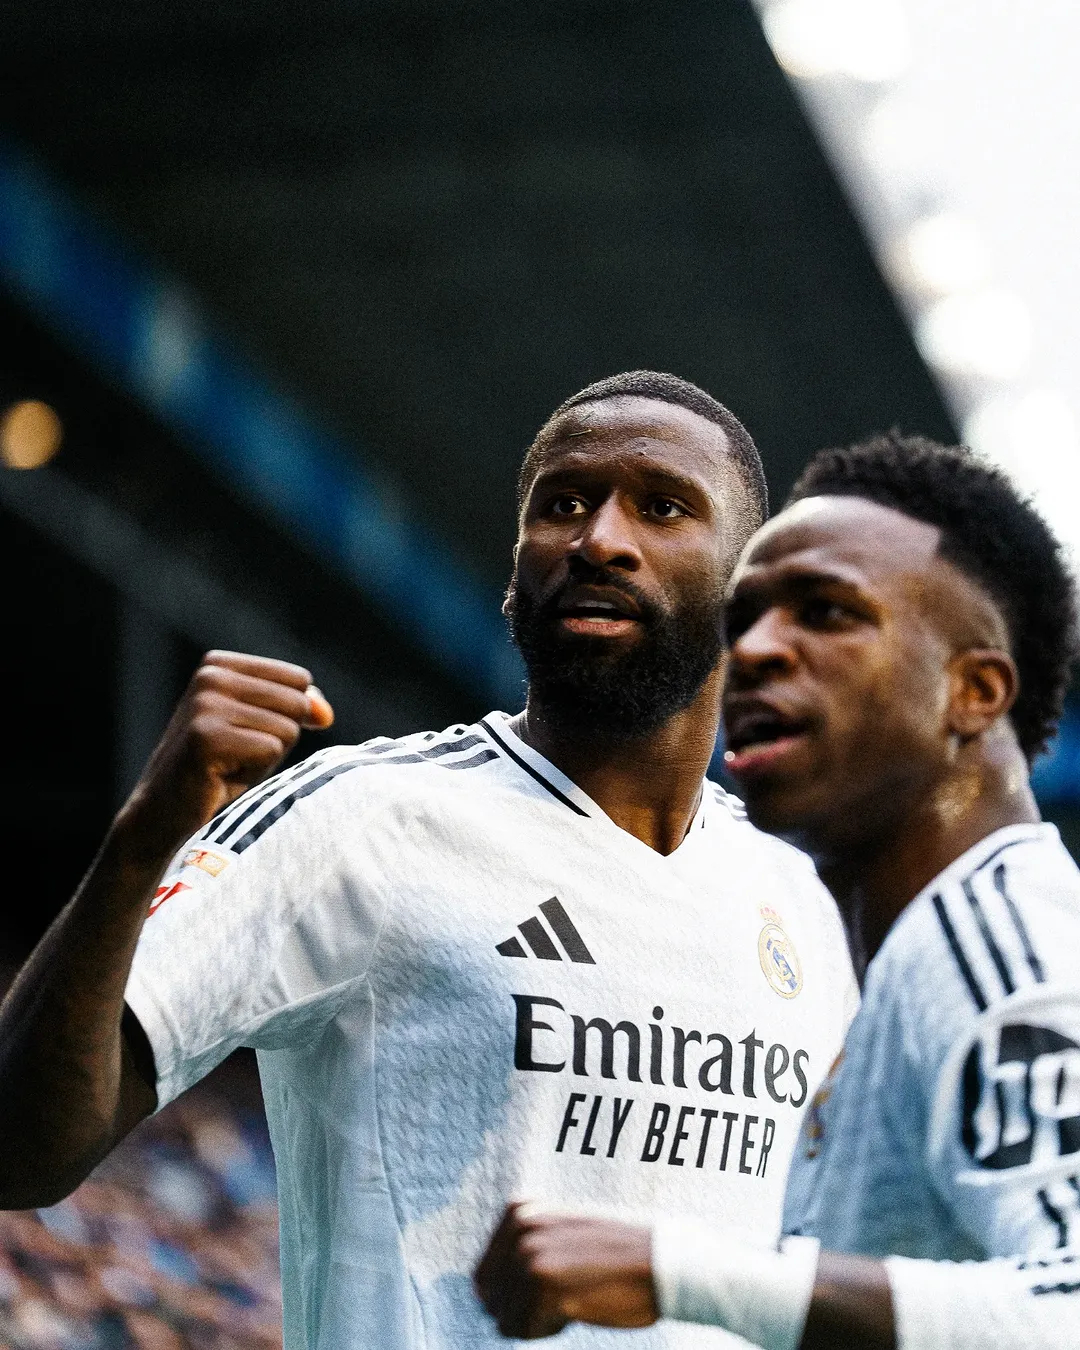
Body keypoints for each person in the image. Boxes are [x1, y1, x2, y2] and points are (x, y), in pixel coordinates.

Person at [0, 371, 856, 1350]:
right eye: (563, 505)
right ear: (517, 572)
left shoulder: (804, 901)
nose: (599, 539)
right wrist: (140, 842)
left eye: (662, 507)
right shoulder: (364, 818)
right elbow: (21, 1150)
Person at [473, 432, 1080, 1349]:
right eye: (745, 618)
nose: (755, 651)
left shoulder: (1001, 944)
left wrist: (672, 1270)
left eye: (827, 614)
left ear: (975, 692)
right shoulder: (899, 976)